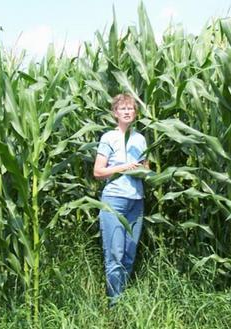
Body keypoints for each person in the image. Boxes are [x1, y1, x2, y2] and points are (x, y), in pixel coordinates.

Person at [93, 93, 149, 306]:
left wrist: (144, 171)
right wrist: (125, 167)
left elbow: (146, 168)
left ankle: (123, 299)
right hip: (114, 201)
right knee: (115, 255)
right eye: (123, 109)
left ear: (135, 113)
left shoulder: (140, 138)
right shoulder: (108, 138)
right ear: (115, 113)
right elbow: (98, 172)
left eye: (130, 108)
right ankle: (115, 305)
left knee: (128, 254)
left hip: (136, 201)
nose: (127, 112)